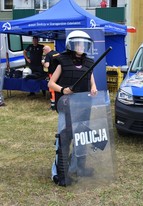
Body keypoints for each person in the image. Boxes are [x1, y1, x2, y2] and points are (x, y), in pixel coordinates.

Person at [48, 30, 97, 186]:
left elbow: (91, 80)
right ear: (72, 45)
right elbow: (51, 84)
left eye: (83, 44)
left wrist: (94, 88)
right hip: (66, 105)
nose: (81, 47)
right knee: (63, 139)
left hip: (83, 105)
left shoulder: (88, 63)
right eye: (78, 44)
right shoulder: (62, 61)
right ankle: (57, 173)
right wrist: (63, 90)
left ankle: (78, 168)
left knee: (81, 138)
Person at [43, 45, 60, 110]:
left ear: (45, 50)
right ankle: (59, 103)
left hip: (52, 74)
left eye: (43, 50)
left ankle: (53, 106)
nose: (43, 52)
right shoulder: (57, 53)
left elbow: (47, 65)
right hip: (59, 73)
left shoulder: (48, 55)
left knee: (52, 89)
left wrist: (43, 63)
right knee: (59, 88)